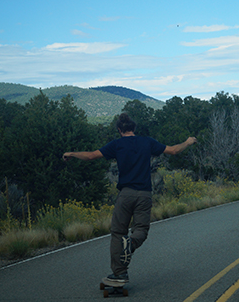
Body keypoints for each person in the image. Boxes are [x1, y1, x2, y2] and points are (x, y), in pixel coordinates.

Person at [63, 113, 197, 286]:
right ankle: (131, 244)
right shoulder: (147, 142)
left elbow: (91, 156)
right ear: (134, 128)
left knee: (118, 233)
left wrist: (72, 153)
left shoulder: (117, 144)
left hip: (125, 194)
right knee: (141, 230)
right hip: (144, 194)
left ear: (119, 130)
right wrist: (187, 142)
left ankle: (119, 273)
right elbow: (173, 150)